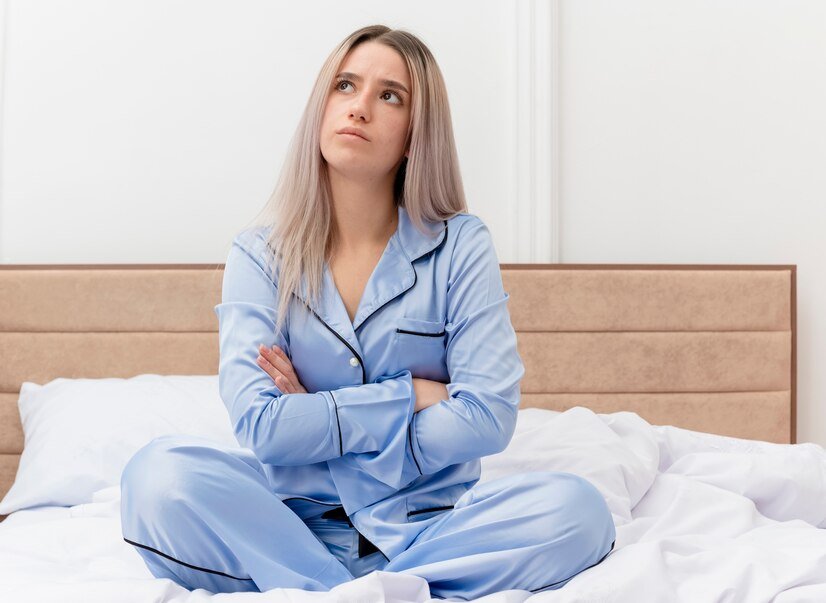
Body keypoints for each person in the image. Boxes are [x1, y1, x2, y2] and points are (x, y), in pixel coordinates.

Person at [119, 24, 616, 600]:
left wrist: (316, 413)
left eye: (389, 95)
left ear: (413, 135)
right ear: (321, 108)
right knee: (157, 477)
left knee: (577, 510)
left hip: (431, 527)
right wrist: (412, 394)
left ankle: (331, 591)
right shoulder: (258, 255)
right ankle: (379, 591)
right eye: (345, 85)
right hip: (290, 526)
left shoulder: (460, 245)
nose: (359, 107)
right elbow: (261, 428)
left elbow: (488, 417)